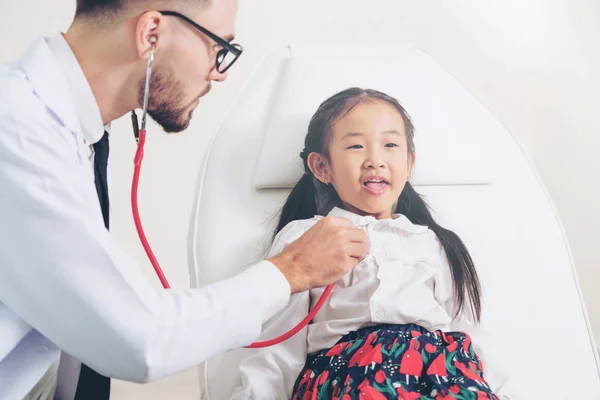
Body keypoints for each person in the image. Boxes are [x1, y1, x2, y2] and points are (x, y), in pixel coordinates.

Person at [0, 1, 369, 399]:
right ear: (150, 34)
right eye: (218, 48)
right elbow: (140, 339)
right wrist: (290, 270)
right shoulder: (17, 131)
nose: (218, 74)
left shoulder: (72, 133)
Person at [232, 88, 516, 399]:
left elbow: (474, 338)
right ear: (321, 167)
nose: (375, 160)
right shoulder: (307, 237)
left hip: (440, 379)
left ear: (409, 164)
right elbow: (277, 348)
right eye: (356, 146)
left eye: (390, 145)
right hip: (352, 379)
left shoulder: (435, 244)